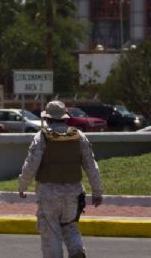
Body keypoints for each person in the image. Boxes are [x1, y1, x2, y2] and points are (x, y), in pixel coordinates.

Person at [18, 100, 103, 258]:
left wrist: (22, 185)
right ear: (65, 118)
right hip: (74, 194)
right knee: (70, 227)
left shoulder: (41, 137)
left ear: (48, 118)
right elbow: (92, 166)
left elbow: (31, 165)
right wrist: (97, 192)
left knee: (51, 233)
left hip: (48, 194)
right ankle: (77, 251)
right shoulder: (79, 136)